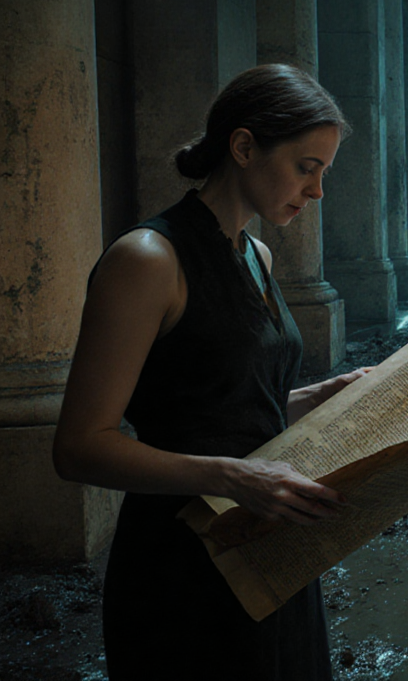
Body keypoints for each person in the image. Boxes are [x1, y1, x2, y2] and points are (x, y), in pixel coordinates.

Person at [53, 64, 365, 680]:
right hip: (179, 566)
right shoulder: (147, 259)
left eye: (324, 172)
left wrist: (314, 398)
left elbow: (222, 404)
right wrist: (233, 477)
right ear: (244, 146)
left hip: (269, 546)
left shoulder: (258, 254)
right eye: (307, 167)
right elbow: (79, 448)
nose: (318, 191)